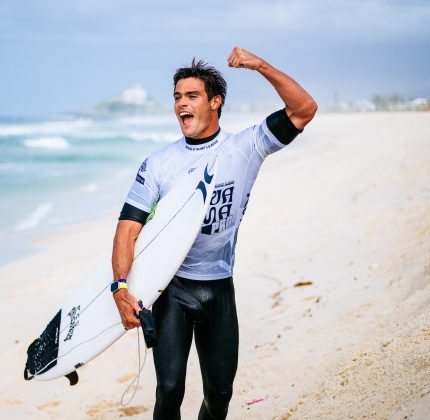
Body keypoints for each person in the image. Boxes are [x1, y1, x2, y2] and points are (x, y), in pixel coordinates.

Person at [111, 46, 317, 419]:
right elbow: (128, 228)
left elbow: (304, 110)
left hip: (219, 286)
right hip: (172, 288)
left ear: (215, 102)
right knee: (170, 389)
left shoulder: (246, 147)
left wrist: (259, 66)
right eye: (177, 97)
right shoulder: (159, 163)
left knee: (219, 394)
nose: (181, 105)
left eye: (192, 96)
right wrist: (120, 286)